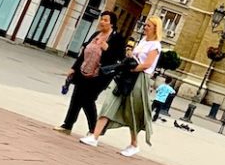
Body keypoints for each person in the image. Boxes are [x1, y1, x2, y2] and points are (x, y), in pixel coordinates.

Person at [80, 15, 161, 155]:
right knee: (110, 101)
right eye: (145, 25)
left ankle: (134, 144)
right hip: (126, 75)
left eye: (148, 25)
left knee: (132, 111)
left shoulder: (156, 45)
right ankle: (94, 136)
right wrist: (129, 56)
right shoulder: (142, 40)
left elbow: (147, 64)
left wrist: (133, 68)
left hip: (139, 78)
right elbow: (135, 56)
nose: (145, 27)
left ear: (155, 28)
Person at [57, 11, 126, 134]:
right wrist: (73, 68)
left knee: (87, 100)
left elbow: (119, 59)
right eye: (101, 19)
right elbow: (84, 53)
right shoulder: (95, 35)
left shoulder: (117, 39)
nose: (102, 22)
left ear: (112, 24)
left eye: (105, 20)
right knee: (76, 99)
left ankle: (95, 129)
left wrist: (107, 49)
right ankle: (67, 125)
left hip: (99, 76)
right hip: (83, 71)